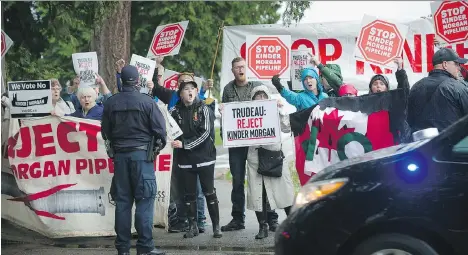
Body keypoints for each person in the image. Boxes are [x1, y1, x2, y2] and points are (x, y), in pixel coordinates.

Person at [101, 65, 167, 255]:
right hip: (142, 158)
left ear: (121, 81)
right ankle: (145, 247)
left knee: (123, 203)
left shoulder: (111, 103)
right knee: (144, 201)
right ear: (138, 81)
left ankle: (122, 249)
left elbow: (105, 132)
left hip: (120, 158)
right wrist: (154, 151)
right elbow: (161, 133)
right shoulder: (147, 102)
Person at [220, 57, 280, 232]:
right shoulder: (227, 89)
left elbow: (267, 110)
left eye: (242, 67)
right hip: (236, 144)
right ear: (232, 70)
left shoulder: (257, 86)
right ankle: (237, 218)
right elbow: (226, 115)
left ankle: (272, 218)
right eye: (237, 67)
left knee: (263, 179)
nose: (240, 70)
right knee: (237, 181)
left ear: (247, 68)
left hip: (257, 144)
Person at [151, 71, 209, 234]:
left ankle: (200, 219)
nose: (187, 87)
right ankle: (183, 220)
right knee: (179, 186)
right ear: (178, 87)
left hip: (194, 150)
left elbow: (204, 129)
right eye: (182, 83)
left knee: (196, 187)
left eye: (190, 84)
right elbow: (155, 90)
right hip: (176, 149)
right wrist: (157, 69)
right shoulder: (172, 100)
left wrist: (204, 90)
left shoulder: (200, 103)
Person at [169, 80, 222, 239]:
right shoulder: (174, 111)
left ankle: (216, 226)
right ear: (181, 94)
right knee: (189, 194)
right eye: (186, 89)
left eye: (192, 88)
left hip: (205, 158)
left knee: (209, 192)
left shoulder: (203, 108)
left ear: (196, 91)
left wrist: (185, 144)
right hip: (185, 160)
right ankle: (192, 226)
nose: (190, 91)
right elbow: (170, 131)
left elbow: (205, 134)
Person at [246, 85, 295, 240]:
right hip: (255, 158)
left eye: (263, 96)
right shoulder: (247, 114)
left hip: (274, 156)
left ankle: (293, 225)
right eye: (257, 96)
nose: (260, 99)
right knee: (258, 193)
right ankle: (263, 226)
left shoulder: (275, 112)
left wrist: (281, 111)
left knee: (285, 191)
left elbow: (287, 128)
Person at [408, 47, 468, 133]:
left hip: (419, 145)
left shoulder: (415, 86)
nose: (459, 68)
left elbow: (408, 121)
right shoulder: (458, 87)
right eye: (456, 64)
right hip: (450, 144)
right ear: (445, 64)